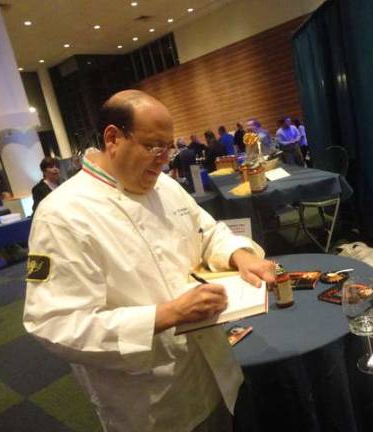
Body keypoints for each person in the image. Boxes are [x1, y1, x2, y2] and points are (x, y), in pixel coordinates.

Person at [23, 90, 275, 432]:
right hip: (149, 400)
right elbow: (56, 324)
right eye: (153, 146)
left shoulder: (165, 187)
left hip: (211, 372)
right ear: (112, 138)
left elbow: (208, 231)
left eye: (168, 147)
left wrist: (240, 255)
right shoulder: (62, 215)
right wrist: (167, 315)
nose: (164, 159)